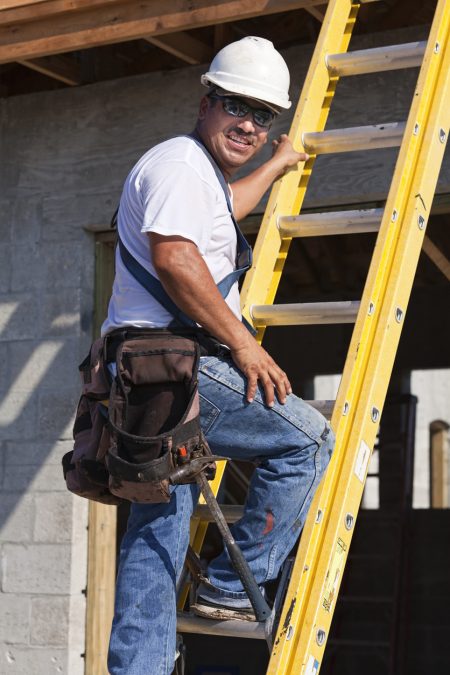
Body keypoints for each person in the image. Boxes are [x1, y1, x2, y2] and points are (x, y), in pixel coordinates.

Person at [104, 36, 334, 675]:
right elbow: (176, 258)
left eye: (264, 117)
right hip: (176, 363)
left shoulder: (197, 173)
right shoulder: (180, 166)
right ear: (206, 101)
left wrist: (278, 166)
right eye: (238, 106)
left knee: (157, 536)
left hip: (142, 378)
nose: (251, 125)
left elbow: (221, 213)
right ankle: (232, 588)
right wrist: (244, 345)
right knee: (307, 441)